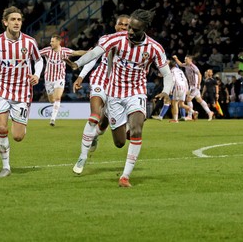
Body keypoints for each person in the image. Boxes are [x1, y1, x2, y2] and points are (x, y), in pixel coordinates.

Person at [66, 9, 173, 187]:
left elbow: (167, 74)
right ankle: (107, 129)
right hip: (114, 94)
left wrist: (167, 91)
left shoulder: (155, 48)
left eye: (135, 29)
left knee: (137, 130)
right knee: (119, 142)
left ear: (145, 28)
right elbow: (95, 53)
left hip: (136, 92)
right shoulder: (116, 39)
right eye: (129, 27)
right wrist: (77, 64)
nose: (130, 31)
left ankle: (125, 176)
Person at [0, 6, 43, 178]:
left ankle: (18, 122)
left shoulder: (29, 42)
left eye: (19, 19)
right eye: (13, 19)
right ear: (5, 22)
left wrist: (36, 74)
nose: (17, 22)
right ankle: (6, 167)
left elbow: (39, 61)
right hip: (1, 88)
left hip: (22, 91)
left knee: (18, 137)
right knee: (2, 128)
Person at [71, 15, 129, 174]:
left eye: (126, 25)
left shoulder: (134, 43)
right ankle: (82, 157)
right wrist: (81, 76)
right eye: (120, 24)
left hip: (118, 85)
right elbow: (94, 56)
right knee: (95, 115)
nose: (123, 27)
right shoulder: (106, 39)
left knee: (103, 125)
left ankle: (95, 136)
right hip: (101, 78)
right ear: (115, 25)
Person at [39, 34, 87, 126]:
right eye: (51, 41)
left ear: (58, 42)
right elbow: (36, 53)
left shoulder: (65, 51)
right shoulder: (47, 50)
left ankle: (52, 119)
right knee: (52, 100)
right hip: (48, 78)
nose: (50, 43)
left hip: (59, 78)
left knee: (57, 98)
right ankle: (55, 108)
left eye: (52, 41)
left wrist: (88, 52)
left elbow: (77, 53)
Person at [172, 55, 214, 121]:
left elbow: (199, 74)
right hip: (192, 86)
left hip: (195, 86)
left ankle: (190, 116)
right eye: (185, 59)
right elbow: (180, 64)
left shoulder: (193, 67)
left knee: (188, 99)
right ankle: (209, 112)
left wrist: (198, 84)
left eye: (186, 59)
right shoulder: (186, 65)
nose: (185, 60)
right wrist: (176, 58)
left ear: (190, 60)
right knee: (199, 100)